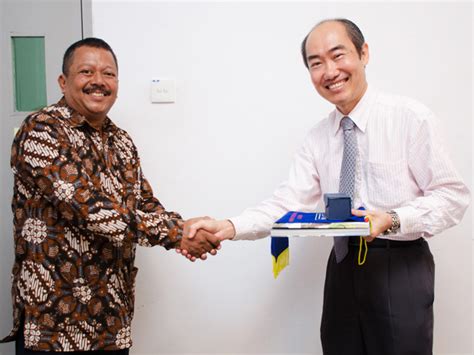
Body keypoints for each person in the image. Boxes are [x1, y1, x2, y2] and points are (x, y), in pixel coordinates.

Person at [185, 19, 470, 355]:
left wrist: (390, 219)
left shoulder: (410, 118)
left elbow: (453, 196)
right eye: (316, 63)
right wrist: (228, 227)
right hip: (342, 264)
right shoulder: (319, 137)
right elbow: (287, 205)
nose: (329, 71)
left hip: (399, 265)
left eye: (338, 56)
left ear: (364, 53)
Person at [1, 37, 219, 354]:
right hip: (53, 324)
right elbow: (89, 209)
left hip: (111, 322)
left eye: (109, 74)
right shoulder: (41, 130)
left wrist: (185, 226)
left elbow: (145, 205)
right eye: (86, 72)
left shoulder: (122, 142)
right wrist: (177, 234)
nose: (99, 82)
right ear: (63, 82)